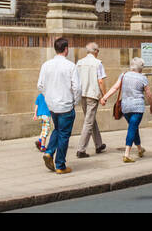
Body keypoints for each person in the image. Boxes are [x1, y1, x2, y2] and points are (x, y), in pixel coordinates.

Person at [36, 36, 80, 173]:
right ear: (66, 49)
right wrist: (75, 102)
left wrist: (49, 98)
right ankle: (60, 165)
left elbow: (40, 86)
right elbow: (77, 88)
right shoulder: (71, 66)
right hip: (66, 105)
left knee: (57, 129)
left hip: (52, 106)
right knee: (64, 135)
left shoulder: (46, 65)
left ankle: (49, 152)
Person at [99, 56, 152, 162]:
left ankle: (139, 149)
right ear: (140, 67)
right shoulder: (143, 78)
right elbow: (149, 95)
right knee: (132, 128)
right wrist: (151, 106)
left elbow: (115, 88)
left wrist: (104, 97)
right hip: (137, 108)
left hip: (126, 107)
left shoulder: (123, 75)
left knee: (133, 127)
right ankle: (127, 154)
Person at [75, 42, 108, 158]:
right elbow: (101, 81)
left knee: (90, 119)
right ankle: (81, 149)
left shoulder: (79, 63)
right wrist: (104, 95)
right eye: (98, 51)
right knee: (89, 122)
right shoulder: (97, 63)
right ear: (95, 51)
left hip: (82, 95)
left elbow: (76, 80)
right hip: (93, 95)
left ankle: (98, 144)